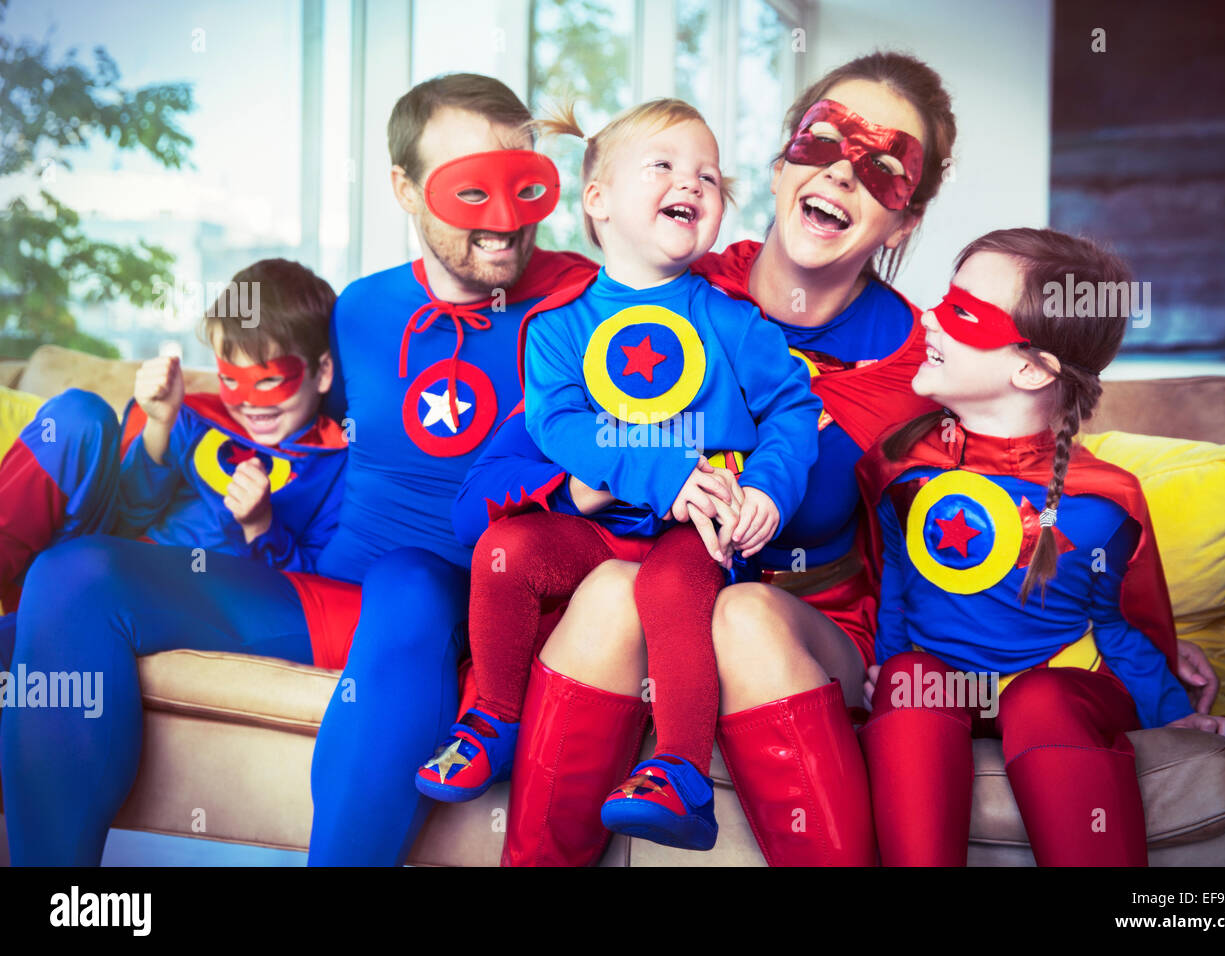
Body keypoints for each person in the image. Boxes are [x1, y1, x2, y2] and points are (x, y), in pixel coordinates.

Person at [456, 50, 1218, 867]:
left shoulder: (931, 367)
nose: (846, 175)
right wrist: (602, 479)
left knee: (737, 613)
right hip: (644, 600)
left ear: (906, 221)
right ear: (784, 165)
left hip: (800, 628)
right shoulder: (657, 284)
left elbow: (1031, 470)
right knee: (615, 587)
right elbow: (478, 508)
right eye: (823, 143)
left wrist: (1135, 634)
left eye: (885, 169)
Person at [1, 73, 595, 866]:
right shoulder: (360, 311)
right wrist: (180, 443)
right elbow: (294, 429)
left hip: (461, 605)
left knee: (412, 579)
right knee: (76, 573)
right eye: (468, 187)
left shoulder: (587, 305)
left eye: (522, 185)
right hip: (327, 596)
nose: (503, 220)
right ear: (406, 190)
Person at [415, 99, 821, 853]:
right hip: (595, 536)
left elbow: (794, 408)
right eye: (663, 165)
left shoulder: (732, 319)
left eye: (708, 174)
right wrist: (661, 469)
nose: (691, 183)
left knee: (672, 587)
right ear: (596, 201)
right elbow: (560, 427)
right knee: (503, 553)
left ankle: (680, 774)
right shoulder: (558, 327)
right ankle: (492, 718)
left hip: (696, 533)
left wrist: (768, 489)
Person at [858, 226, 1225, 866]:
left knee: (1040, 698)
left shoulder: (1101, 501)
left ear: (1031, 368)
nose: (929, 316)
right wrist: (888, 665)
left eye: (961, 312)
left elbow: (1122, 622)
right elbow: (895, 581)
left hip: (1065, 680)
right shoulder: (899, 467)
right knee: (910, 680)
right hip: (946, 688)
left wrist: (1170, 711)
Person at [0, 258, 345, 670]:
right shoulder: (197, 417)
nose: (249, 401)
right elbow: (128, 514)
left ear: (322, 371)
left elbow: (311, 606)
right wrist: (160, 426)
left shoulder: (335, 467)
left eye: (269, 380)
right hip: (92, 556)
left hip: (163, 597)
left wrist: (260, 526)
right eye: (231, 378)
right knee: (79, 413)